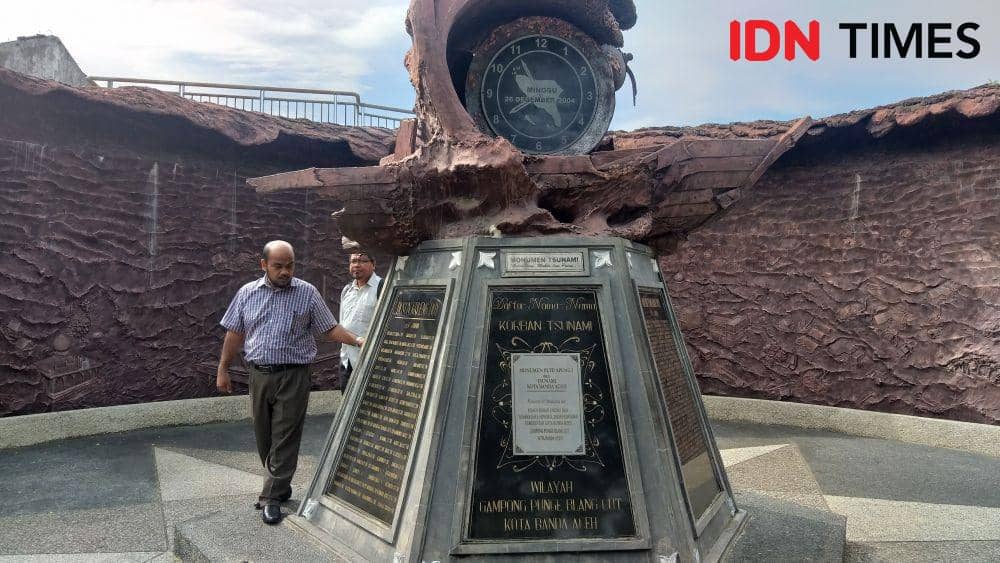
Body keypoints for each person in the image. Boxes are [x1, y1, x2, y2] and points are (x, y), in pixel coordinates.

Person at [215, 240, 364, 525]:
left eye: (290, 265)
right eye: (278, 266)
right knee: (265, 437)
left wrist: (357, 340)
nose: (285, 272)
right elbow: (234, 333)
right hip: (258, 375)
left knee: (284, 438)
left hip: (294, 375)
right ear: (264, 265)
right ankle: (280, 486)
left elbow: (329, 328)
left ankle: (270, 497)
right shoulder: (247, 293)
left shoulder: (307, 293)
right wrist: (223, 369)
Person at [338, 252, 382, 391]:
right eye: (353, 261)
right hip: (347, 362)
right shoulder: (347, 290)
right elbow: (342, 325)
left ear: (373, 264)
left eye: (362, 260)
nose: (356, 265)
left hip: (372, 364)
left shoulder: (382, 288)